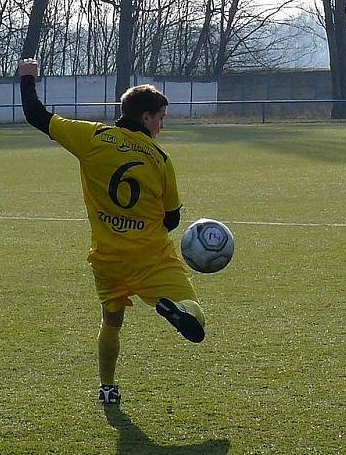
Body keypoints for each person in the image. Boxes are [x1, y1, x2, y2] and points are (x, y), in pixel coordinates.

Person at [18, 58, 206, 405]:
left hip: (106, 260)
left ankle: (107, 387)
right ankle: (171, 306)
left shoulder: (92, 136)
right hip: (150, 258)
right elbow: (172, 219)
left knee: (111, 322)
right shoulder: (160, 159)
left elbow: (35, 115)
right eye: (161, 118)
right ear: (146, 117)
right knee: (194, 311)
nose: (162, 126)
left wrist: (28, 78)